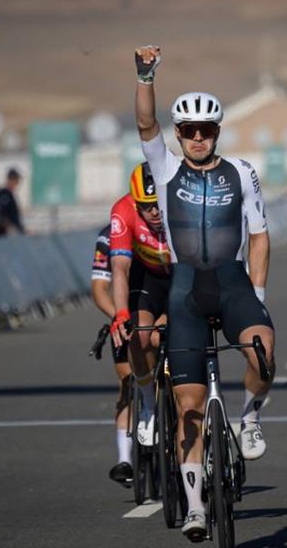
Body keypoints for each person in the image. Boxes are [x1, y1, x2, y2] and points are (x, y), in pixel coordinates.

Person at [134, 44, 275, 541]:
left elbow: (259, 234)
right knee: (189, 406)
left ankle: (250, 417)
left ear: (217, 132)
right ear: (179, 134)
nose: (197, 137)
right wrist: (145, 75)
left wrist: (258, 291)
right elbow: (145, 125)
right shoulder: (166, 169)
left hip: (234, 283)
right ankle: (195, 506)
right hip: (186, 290)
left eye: (206, 130)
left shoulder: (241, 172)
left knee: (263, 350)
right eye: (189, 131)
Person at [108, 162, 172, 454]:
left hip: (181, 274)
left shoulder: (180, 205)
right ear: (135, 202)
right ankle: (148, 401)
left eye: (159, 204)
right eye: (148, 207)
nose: (156, 213)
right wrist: (121, 313)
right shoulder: (123, 210)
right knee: (141, 337)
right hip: (146, 277)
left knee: (171, 335)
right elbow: (119, 268)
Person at [90, 223, 135, 486]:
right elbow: (99, 289)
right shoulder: (108, 236)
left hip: (158, 306)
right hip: (123, 311)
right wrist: (119, 318)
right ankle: (125, 458)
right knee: (126, 382)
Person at [0, 168, 25, 234]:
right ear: (10, 180)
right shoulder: (4, 193)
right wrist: (9, 228)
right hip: (8, 232)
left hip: (15, 230)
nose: (17, 183)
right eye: (16, 180)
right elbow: (3, 213)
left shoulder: (10, 194)